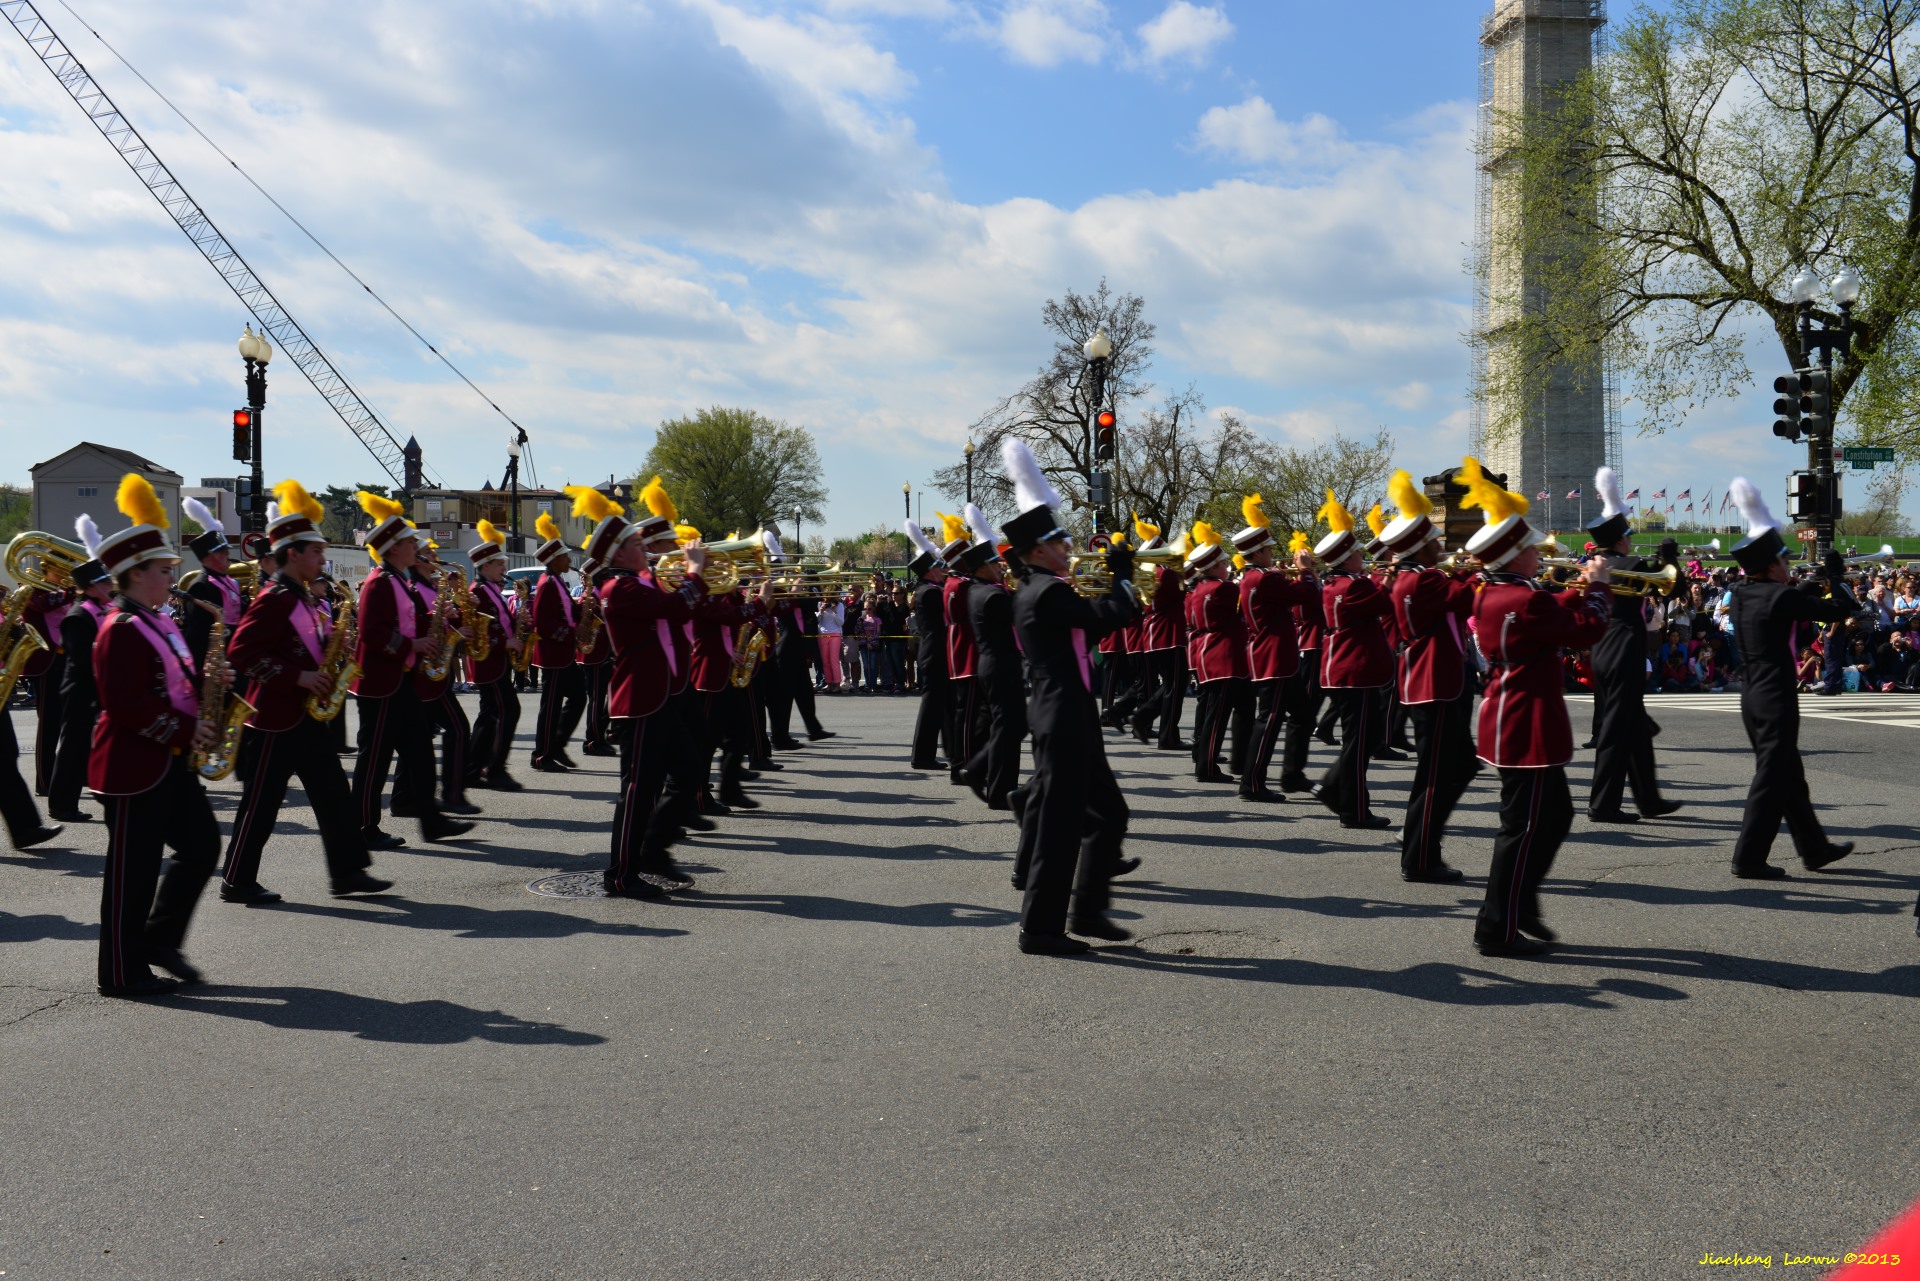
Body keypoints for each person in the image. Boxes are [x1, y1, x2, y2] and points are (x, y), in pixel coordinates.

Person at [1456, 458, 1612, 957]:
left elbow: (1543, 611)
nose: (1538, 555)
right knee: (1522, 829)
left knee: (1554, 816)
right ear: (1513, 554)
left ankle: (1519, 904)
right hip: (1528, 720)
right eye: (1530, 549)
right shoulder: (1524, 600)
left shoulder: (1496, 594)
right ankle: (1497, 925)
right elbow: (1586, 629)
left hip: (1511, 714)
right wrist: (1601, 588)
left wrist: (1576, 590)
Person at [999, 439, 1140, 955]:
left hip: (1069, 711)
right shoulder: (1047, 590)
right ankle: (1041, 929)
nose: (1068, 548)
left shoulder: (1043, 588)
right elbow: (1108, 618)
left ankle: (1086, 910)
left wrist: (1118, 588)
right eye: (1059, 542)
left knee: (1109, 816)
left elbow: (1090, 633)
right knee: (1059, 832)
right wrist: (1122, 576)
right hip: (1062, 716)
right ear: (1037, 550)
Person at [219, 481, 389, 904]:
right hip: (274, 720)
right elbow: (241, 651)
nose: (323, 558)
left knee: (334, 797)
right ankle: (236, 880)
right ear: (292, 553)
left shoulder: (307, 600)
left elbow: (308, 646)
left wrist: (338, 647)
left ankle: (348, 873)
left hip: (307, 718)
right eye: (315, 551)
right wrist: (297, 676)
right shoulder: (273, 598)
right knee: (260, 806)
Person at [87, 474, 222, 996]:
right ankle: (120, 972)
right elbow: (125, 703)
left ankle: (159, 941)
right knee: (132, 876)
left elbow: (175, 682)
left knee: (202, 846)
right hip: (133, 766)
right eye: (165, 570)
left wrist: (214, 688)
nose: (173, 577)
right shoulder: (120, 627)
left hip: (170, 758)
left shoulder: (157, 620)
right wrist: (190, 727)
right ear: (136, 573)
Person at [1723, 477, 1859, 878]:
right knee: (1772, 776)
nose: (1789, 565)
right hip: (1776, 696)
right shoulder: (1780, 596)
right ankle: (1748, 857)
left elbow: (1776, 596)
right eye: (1784, 560)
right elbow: (1842, 610)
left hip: (1752, 696)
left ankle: (1813, 848)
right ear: (1769, 566)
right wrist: (1835, 577)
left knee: (1788, 773)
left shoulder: (1743, 592)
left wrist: (1802, 584)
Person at [585, 490, 709, 898]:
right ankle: (621, 874)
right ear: (619, 553)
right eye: (637, 544)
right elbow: (675, 608)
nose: (646, 548)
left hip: (659, 697)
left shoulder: (636, 582)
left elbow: (680, 612)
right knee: (637, 792)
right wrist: (694, 572)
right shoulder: (619, 588)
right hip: (639, 700)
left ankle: (653, 848)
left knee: (689, 771)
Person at [347, 492, 472, 850]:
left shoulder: (401, 581)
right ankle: (364, 828)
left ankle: (431, 822)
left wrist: (439, 619)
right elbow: (371, 632)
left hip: (402, 680)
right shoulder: (378, 582)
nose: (414, 548)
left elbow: (416, 620)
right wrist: (411, 645)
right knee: (374, 761)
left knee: (418, 751)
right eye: (407, 542)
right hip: (380, 684)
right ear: (393, 548)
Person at [1377, 470, 1477, 882]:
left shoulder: (1414, 577)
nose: (1441, 545)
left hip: (1434, 678)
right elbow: (1467, 597)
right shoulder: (1422, 580)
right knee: (1436, 774)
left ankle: (1422, 845)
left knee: (1457, 766)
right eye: (1434, 540)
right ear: (1419, 546)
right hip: (1434, 681)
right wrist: (1483, 568)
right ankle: (1419, 856)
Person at [1583, 467, 1680, 823]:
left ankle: (1649, 799)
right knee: (1616, 730)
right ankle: (1603, 804)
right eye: (1628, 534)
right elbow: (1674, 589)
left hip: (1601, 649)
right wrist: (1670, 557)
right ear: (1621, 538)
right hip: (1625, 647)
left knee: (1634, 726)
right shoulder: (1634, 563)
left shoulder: (1594, 565)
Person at [1228, 497, 1319, 803]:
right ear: (1256, 552)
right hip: (1275, 658)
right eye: (1268, 549)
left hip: (1275, 657)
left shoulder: (1253, 577)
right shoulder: (1267, 578)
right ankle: (1252, 783)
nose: (1272, 553)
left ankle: (1292, 774)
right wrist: (1306, 571)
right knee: (1269, 721)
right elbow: (1305, 595)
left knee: (1304, 717)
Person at [1311, 492, 1394, 830]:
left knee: (1363, 739)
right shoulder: (1352, 586)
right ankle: (1354, 810)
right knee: (1359, 744)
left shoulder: (1340, 582)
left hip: (1346, 667)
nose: (1363, 556)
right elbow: (1384, 605)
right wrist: (1392, 578)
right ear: (1346, 558)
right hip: (1354, 669)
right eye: (1358, 553)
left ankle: (1330, 788)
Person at [45, 528, 114, 824]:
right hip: (80, 688)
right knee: (72, 745)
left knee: (87, 744)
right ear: (91, 587)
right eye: (104, 582)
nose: (110, 585)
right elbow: (82, 658)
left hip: (96, 687)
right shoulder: (78, 615)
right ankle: (61, 804)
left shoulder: (102, 609)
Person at [961, 504, 1023, 810]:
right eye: (995, 563)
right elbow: (1021, 613)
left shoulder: (979, 590)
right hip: (1000, 665)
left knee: (1008, 726)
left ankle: (986, 775)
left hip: (994, 663)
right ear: (981, 568)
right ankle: (998, 788)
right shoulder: (993, 595)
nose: (1001, 567)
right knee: (1009, 727)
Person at [1184, 524, 1251, 787]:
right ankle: (1207, 767)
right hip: (1223, 656)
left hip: (1209, 653)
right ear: (1212, 566)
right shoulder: (1223, 589)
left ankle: (1232, 759)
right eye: (1223, 563)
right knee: (1217, 717)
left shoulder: (1196, 590)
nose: (1227, 566)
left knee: (1230, 711)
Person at [465, 521, 526, 792]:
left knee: (489, 714)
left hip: (496, 661)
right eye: (500, 564)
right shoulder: (476, 592)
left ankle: (472, 768)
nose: (504, 568)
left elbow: (498, 622)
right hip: (488, 661)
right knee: (509, 710)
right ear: (485, 565)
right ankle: (495, 770)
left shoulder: (491, 589)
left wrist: (518, 620)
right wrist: (507, 640)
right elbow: (481, 633)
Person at [528, 512, 585, 772]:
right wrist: (572, 634)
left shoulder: (558, 582)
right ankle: (542, 755)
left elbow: (568, 614)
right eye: (564, 556)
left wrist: (585, 610)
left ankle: (558, 743)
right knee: (549, 708)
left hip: (563, 655)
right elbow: (542, 623)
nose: (568, 559)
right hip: (552, 655)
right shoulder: (546, 584)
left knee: (578, 697)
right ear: (553, 559)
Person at [903, 520, 953, 771]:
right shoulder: (930, 592)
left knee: (941, 706)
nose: (943, 570)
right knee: (932, 706)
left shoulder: (929, 589)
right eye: (939, 566)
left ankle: (949, 752)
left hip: (935, 651)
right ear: (929, 570)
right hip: (934, 652)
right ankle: (922, 756)